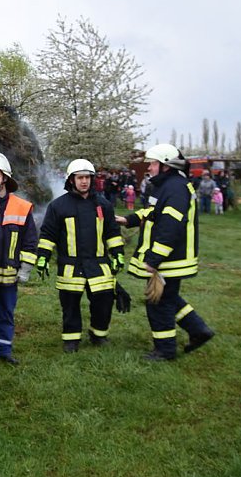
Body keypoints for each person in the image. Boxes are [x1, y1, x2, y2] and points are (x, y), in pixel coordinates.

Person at [116, 144, 215, 361]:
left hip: (170, 260)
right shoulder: (168, 185)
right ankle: (199, 330)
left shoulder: (175, 188)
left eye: (152, 163)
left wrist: (154, 259)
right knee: (169, 298)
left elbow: (170, 227)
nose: (149, 168)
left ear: (166, 165)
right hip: (171, 259)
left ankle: (165, 350)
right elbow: (154, 212)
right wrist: (129, 219)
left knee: (158, 304)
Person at [36, 159, 124, 353]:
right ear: (71, 180)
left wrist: (118, 253)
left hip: (99, 265)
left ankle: (99, 335)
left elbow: (112, 232)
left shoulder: (103, 205)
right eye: (80, 177)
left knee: (103, 302)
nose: (84, 181)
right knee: (70, 305)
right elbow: (48, 234)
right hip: (71, 265)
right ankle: (71, 339)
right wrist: (42, 256)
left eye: (87, 177)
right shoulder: (58, 206)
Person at [0, 153, 37, 365]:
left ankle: (4, 350)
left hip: (11, 274)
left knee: (7, 314)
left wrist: (26, 269)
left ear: (5, 178)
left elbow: (30, 240)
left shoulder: (22, 207)